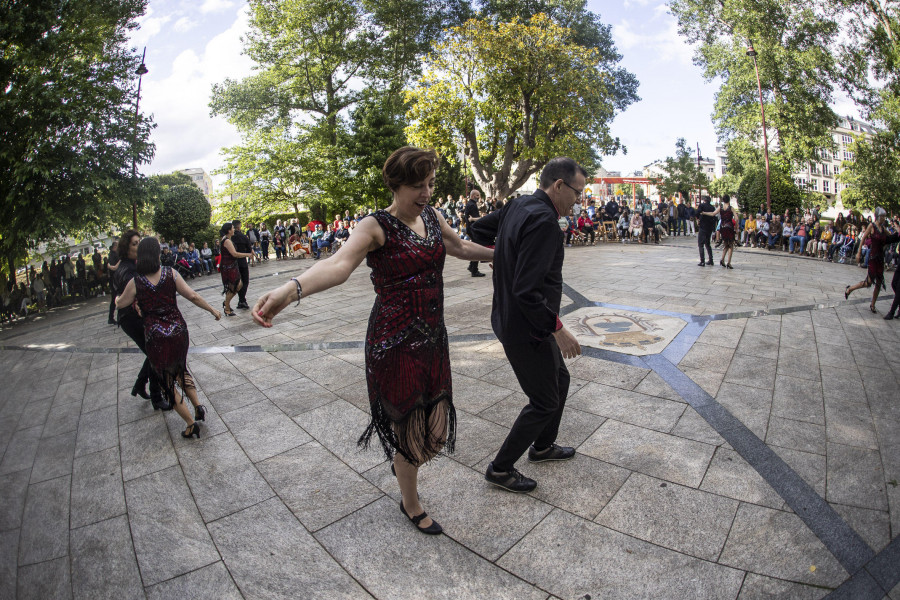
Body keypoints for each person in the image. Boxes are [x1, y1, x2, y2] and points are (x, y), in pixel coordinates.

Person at [252, 146, 494, 535]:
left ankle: (405, 472)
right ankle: (411, 503)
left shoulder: (432, 217)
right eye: (417, 186)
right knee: (409, 431)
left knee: (433, 431)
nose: (426, 194)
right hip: (394, 342)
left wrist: (499, 254)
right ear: (395, 185)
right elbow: (336, 265)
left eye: (430, 184)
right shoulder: (374, 226)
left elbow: (461, 247)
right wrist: (289, 290)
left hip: (433, 336)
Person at [472, 157, 584, 493]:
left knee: (559, 380)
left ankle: (543, 447)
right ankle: (501, 468)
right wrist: (558, 328)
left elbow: (479, 229)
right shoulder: (545, 222)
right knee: (544, 401)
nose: (578, 202)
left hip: (515, 318)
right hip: (527, 326)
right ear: (558, 186)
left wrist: (504, 257)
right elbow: (527, 290)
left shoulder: (518, 204)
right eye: (576, 193)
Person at [116, 237, 221, 438]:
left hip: (155, 337)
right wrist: (212, 310)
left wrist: (117, 299)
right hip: (178, 331)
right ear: (156, 254)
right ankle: (198, 406)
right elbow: (192, 296)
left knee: (167, 381)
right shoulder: (170, 273)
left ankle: (191, 423)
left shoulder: (135, 282)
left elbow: (121, 303)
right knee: (181, 370)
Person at [112, 231, 166, 409]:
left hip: (131, 317)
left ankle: (140, 384)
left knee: (152, 352)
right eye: (135, 244)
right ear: (126, 247)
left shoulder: (131, 265)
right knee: (155, 353)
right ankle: (156, 397)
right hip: (132, 318)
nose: (139, 246)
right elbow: (133, 294)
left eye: (139, 242)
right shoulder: (127, 270)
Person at [845, 208, 899, 313]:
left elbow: (892, 238)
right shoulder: (872, 226)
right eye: (883, 216)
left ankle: (873, 305)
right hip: (873, 258)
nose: (884, 218)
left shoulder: (883, 229)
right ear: (878, 216)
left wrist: (897, 228)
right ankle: (850, 289)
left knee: (879, 282)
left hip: (880, 258)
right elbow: (863, 238)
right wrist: (859, 252)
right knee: (869, 282)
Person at [219, 223, 254, 317]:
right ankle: (226, 307)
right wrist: (247, 254)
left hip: (230, 265)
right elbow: (234, 254)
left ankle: (226, 304)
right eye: (232, 228)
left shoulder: (227, 239)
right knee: (236, 285)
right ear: (229, 230)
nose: (234, 229)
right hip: (228, 267)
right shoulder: (226, 241)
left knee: (237, 285)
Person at [701, 195, 736, 268]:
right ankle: (728, 262)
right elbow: (737, 218)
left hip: (722, 227)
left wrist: (704, 213)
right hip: (729, 226)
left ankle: (722, 259)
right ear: (729, 200)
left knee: (726, 244)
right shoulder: (731, 208)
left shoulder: (721, 207)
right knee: (731, 245)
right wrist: (736, 226)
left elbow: (713, 213)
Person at [463, 190, 485, 276]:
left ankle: (472, 266)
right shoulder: (472, 205)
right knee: (477, 249)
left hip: (470, 229)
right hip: (473, 229)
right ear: (473, 196)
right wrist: (482, 218)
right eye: (477, 195)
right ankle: (474, 270)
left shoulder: (470, 204)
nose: (478, 197)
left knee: (475, 247)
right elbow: (475, 219)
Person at [231, 220, 252, 309]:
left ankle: (241, 300)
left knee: (238, 282)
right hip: (242, 261)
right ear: (239, 227)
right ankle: (242, 300)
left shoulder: (230, 239)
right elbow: (249, 249)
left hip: (233, 263)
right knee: (245, 281)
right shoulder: (243, 237)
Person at [696, 195, 716, 266]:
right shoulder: (712, 207)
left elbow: (697, 212)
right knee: (708, 244)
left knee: (701, 244)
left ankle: (702, 261)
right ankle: (711, 260)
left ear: (704, 200)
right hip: (709, 227)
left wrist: (698, 218)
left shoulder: (702, 206)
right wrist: (713, 229)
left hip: (703, 226)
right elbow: (714, 218)